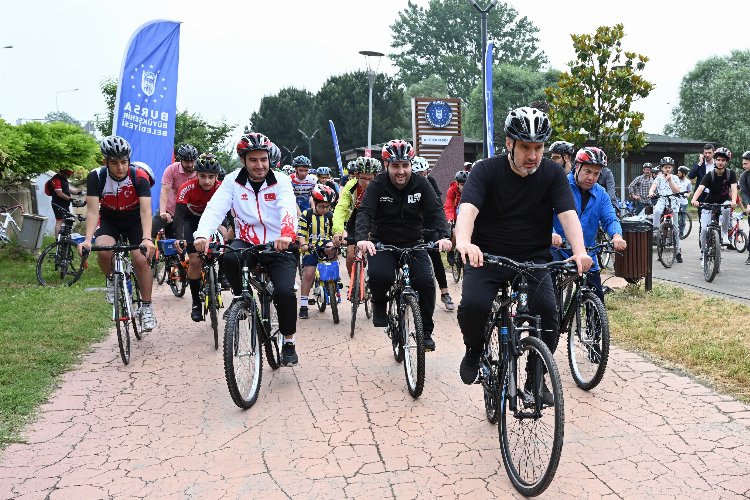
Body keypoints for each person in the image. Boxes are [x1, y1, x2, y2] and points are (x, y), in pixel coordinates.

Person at [454, 107, 592, 404]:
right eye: (526, 147)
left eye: (539, 147)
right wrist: (465, 242)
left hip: (533, 259)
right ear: (509, 144)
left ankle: (535, 378)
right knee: (474, 306)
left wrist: (579, 252)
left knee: (549, 315)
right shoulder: (485, 170)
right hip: (487, 257)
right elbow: (467, 211)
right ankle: (474, 349)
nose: (533, 155)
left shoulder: (553, 174)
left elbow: (568, 215)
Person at [193, 132, 300, 366]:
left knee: (284, 293)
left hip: (279, 243)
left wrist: (286, 235)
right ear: (243, 160)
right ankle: (242, 297)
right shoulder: (232, 181)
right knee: (229, 256)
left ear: (269, 159)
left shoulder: (281, 181)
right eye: (253, 160)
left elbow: (287, 209)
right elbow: (214, 209)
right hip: (247, 242)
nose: (259, 165)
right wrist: (201, 234)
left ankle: (289, 341)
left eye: (263, 159)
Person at [356, 140, 451, 352]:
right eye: (395, 166)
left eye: (405, 165)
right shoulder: (377, 185)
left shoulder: (421, 183)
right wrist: (362, 238)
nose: (401, 171)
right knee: (381, 276)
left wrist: (444, 236)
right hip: (383, 242)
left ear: (411, 164)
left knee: (426, 282)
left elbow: (436, 210)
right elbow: (365, 212)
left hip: (414, 243)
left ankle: (425, 331)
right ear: (386, 165)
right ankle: (379, 304)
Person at [80, 136, 157, 331]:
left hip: (135, 220)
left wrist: (147, 238)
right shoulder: (96, 177)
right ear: (105, 161)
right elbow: (92, 211)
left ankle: (146, 307)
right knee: (104, 250)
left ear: (129, 160)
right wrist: (88, 240)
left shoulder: (139, 176)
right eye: (114, 163)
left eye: (124, 162)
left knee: (140, 259)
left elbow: (146, 211)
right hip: (109, 220)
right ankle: (111, 280)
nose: (120, 167)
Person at [551, 147, 626, 302]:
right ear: (577, 167)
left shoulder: (601, 194)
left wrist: (617, 235)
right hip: (558, 250)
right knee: (547, 293)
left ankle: (595, 321)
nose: (591, 177)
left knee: (597, 297)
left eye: (596, 174)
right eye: (587, 171)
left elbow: (610, 218)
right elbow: (543, 214)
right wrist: (551, 233)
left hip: (586, 253)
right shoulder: (560, 185)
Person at [173, 153, 223, 322]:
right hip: (192, 220)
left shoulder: (221, 188)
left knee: (226, 246)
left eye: (211, 177)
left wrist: (230, 231)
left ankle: (222, 276)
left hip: (215, 220)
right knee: (194, 261)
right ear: (196, 175)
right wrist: (179, 237)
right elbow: (179, 215)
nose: (207, 181)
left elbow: (230, 213)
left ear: (217, 176)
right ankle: (196, 302)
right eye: (202, 176)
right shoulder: (187, 187)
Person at [413, 156, 455, 311]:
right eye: (419, 175)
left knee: (435, 257)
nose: (422, 177)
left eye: (424, 173)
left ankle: (445, 293)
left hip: (430, 224)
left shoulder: (430, 181)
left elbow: (437, 203)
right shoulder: (407, 184)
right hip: (415, 226)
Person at [332, 156, 379, 275]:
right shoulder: (350, 186)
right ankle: (354, 286)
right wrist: (338, 230)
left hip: (376, 218)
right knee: (350, 256)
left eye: (371, 179)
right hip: (357, 218)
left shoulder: (380, 186)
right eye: (363, 178)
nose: (367, 183)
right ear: (357, 175)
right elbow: (341, 208)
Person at [297, 184, 338, 319]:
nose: (324, 209)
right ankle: (303, 305)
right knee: (308, 274)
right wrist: (303, 245)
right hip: (310, 247)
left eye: (327, 206)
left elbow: (336, 231)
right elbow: (301, 233)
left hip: (325, 245)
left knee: (332, 248)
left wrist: (340, 238)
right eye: (322, 206)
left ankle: (334, 286)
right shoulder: (306, 215)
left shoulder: (330, 216)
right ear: (314, 203)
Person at [691, 147, 737, 256]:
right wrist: (694, 199)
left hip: (724, 201)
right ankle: (703, 254)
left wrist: (734, 200)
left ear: (726, 162)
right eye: (718, 160)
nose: (720, 162)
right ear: (715, 160)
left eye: (723, 160)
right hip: (709, 202)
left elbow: (734, 189)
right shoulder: (710, 175)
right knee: (703, 231)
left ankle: (725, 234)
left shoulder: (731, 174)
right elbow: (700, 188)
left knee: (726, 208)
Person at [154, 144, 198, 239]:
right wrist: (162, 212)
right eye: (186, 161)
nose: (190, 165)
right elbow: (164, 192)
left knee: (183, 240)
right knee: (148, 231)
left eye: (192, 161)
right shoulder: (171, 169)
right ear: (180, 159)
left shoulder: (199, 172)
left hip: (187, 212)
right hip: (169, 209)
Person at [648, 157, 684, 263]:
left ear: (672, 168)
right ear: (662, 168)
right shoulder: (658, 178)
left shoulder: (675, 178)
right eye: (665, 167)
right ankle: (655, 231)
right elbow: (653, 187)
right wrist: (651, 192)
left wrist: (670, 181)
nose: (667, 169)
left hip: (673, 201)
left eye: (669, 167)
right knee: (657, 211)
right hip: (662, 199)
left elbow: (677, 190)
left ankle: (677, 252)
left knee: (676, 230)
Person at [46, 167, 84, 237]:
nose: (68, 177)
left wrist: (78, 192)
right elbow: (59, 193)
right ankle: (58, 240)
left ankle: (65, 238)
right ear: (63, 173)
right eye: (67, 175)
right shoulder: (56, 180)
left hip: (64, 204)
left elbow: (67, 190)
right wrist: (70, 199)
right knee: (59, 221)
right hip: (57, 203)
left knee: (67, 220)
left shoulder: (63, 179)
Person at [444, 170, 468, 267]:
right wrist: (450, 218)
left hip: (466, 217)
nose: (464, 187)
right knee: (454, 232)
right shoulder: (451, 190)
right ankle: (451, 251)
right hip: (455, 217)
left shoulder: (471, 190)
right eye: (462, 184)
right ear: (457, 184)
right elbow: (448, 205)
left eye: (466, 184)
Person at [675, 166, 693, 239]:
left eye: (679, 173)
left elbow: (690, 191)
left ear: (684, 174)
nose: (678, 174)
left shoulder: (688, 182)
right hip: (675, 201)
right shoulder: (675, 179)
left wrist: (688, 195)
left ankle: (681, 232)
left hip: (683, 202)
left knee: (682, 218)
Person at [739, 151, 750, 264]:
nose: (743, 166)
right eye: (743, 163)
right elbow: (744, 193)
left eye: (746, 163)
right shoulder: (744, 176)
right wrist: (748, 204)